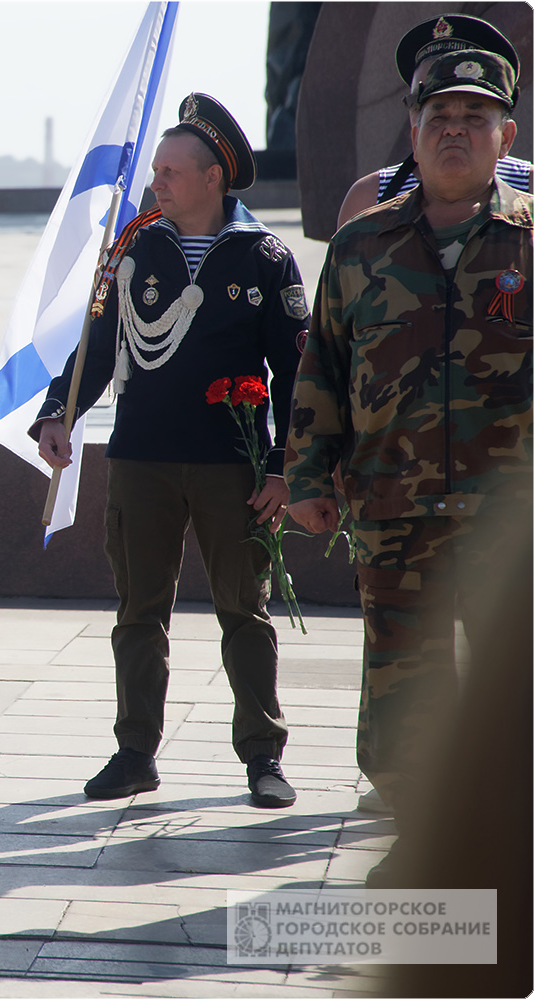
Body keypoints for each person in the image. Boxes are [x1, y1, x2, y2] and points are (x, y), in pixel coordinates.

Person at [286, 48, 531, 856]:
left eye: (474, 118)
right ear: (413, 133)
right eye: (439, 117)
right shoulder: (362, 245)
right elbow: (322, 366)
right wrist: (306, 476)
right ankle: (419, 838)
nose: (455, 131)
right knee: (403, 691)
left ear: (506, 136)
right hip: (396, 507)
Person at [31, 94, 306, 810]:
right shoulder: (133, 246)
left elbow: (295, 374)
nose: (155, 182)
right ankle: (134, 753)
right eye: (156, 169)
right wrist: (59, 413)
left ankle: (263, 755)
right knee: (139, 612)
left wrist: (283, 468)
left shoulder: (264, 257)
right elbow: (97, 346)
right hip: (142, 458)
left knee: (244, 612)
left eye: (170, 171)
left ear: (213, 177)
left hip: (231, 468)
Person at [336, 14, 530, 229]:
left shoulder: (528, 186)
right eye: (422, 101)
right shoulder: (371, 197)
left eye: (472, 113)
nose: (452, 128)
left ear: (505, 133)